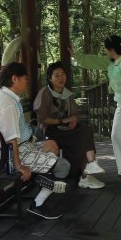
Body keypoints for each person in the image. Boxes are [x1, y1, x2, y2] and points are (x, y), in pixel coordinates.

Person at [0, 62, 70, 220]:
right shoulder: (8, 103)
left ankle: (42, 178)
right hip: (9, 155)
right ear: (14, 79)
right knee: (63, 166)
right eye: (25, 79)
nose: (27, 83)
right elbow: (11, 139)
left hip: (21, 145)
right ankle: (37, 204)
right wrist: (18, 165)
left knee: (52, 145)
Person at [72, 35, 121, 179]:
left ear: (111, 49)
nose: (105, 51)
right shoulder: (111, 62)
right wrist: (76, 55)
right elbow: (94, 61)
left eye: (106, 49)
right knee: (117, 135)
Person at [34, 62, 105, 190]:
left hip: (67, 129)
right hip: (51, 131)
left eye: (63, 74)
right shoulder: (44, 93)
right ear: (50, 78)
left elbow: (74, 114)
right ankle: (86, 173)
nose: (61, 78)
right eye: (57, 75)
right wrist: (63, 121)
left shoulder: (67, 93)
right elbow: (42, 119)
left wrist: (73, 121)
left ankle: (90, 167)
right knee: (82, 135)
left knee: (85, 130)